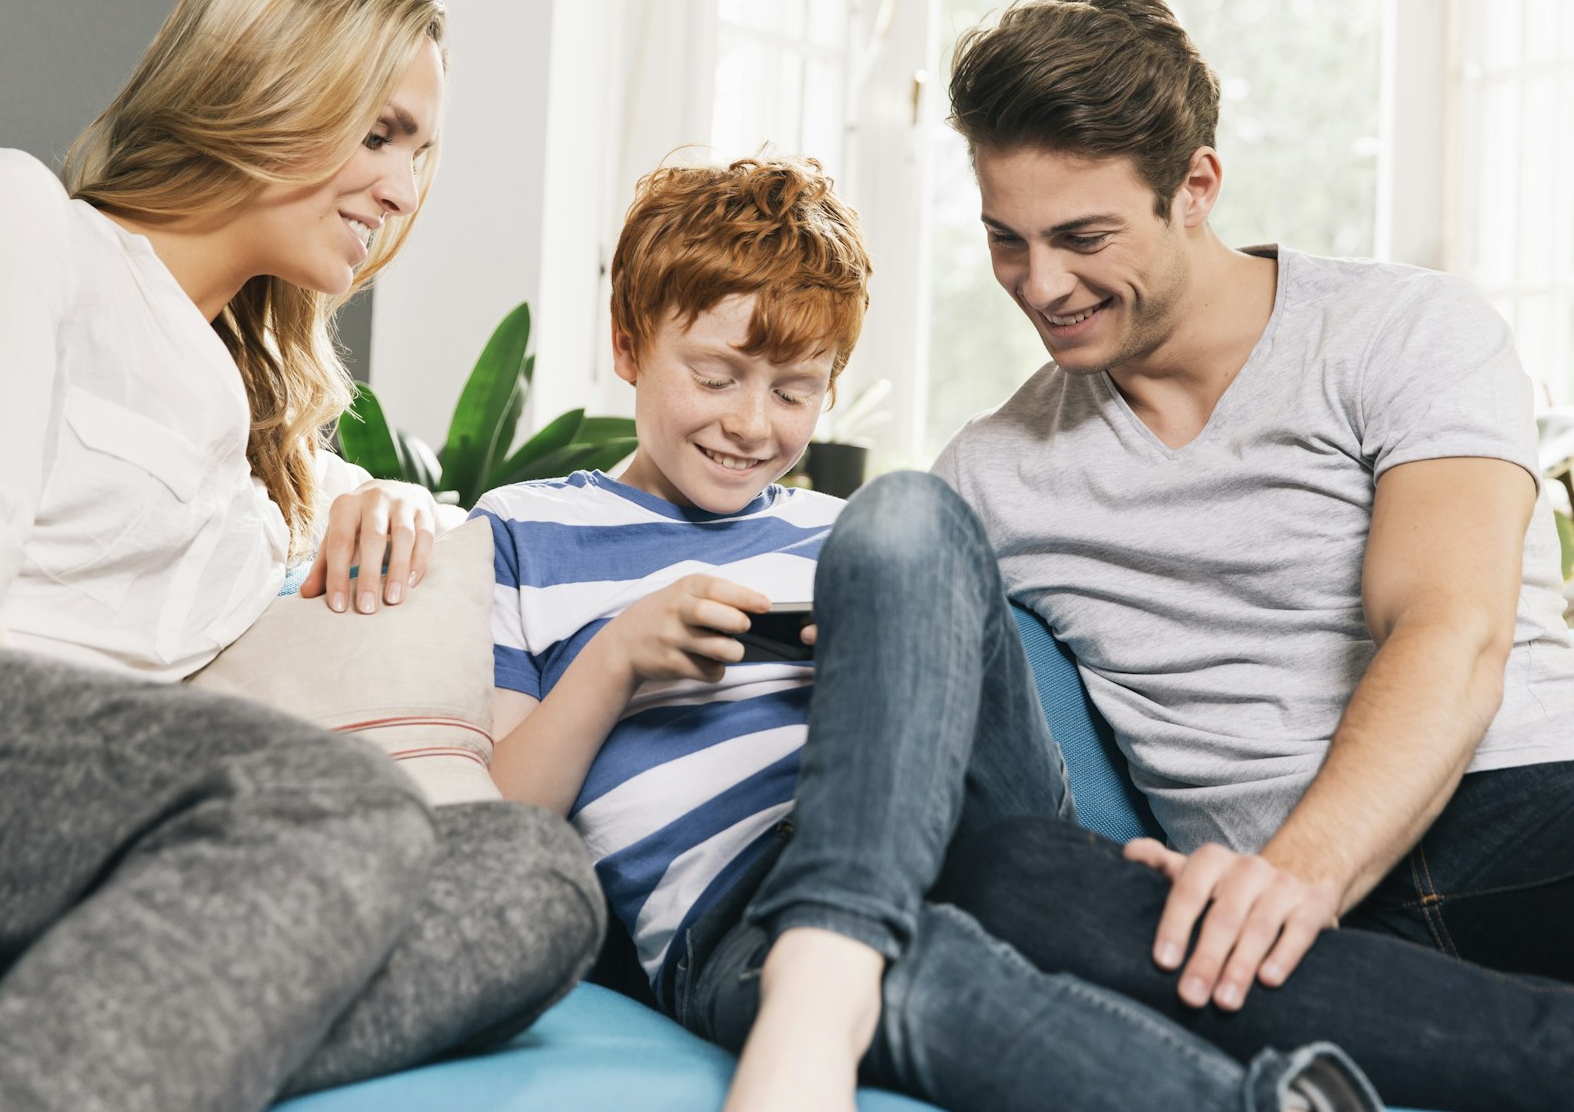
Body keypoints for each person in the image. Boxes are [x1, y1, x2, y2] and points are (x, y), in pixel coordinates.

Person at [929, 0, 1574, 1111]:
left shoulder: (1403, 329)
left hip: (1529, 822)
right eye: (1004, 240)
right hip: (1282, 934)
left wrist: (1299, 874)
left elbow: (1447, 626)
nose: (1040, 285)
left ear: (1195, 188)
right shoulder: (990, 471)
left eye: (1081, 238)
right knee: (1005, 877)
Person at [475, 155, 1383, 1112]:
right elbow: (499, 826)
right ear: (627, 345)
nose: (751, 422)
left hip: (947, 843)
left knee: (906, 519)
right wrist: (615, 659)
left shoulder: (842, 531)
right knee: (921, 978)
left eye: (795, 390)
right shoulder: (524, 529)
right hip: (731, 911)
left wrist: (883, 653)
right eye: (716, 376)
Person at [0, 0, 602, 1112]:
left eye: (422, 153)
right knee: (334, 805)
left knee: (528, 879)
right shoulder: (15, 218)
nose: (404, 190)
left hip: (51, 897)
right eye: (380, 133)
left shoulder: (250, 450)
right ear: (263, 84)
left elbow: (399, 528)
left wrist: (394, 496)